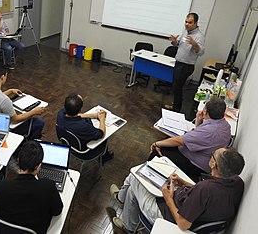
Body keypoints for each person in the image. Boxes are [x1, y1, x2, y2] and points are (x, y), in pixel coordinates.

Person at [110, 147, 245, 233]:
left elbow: (183, 224)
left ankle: (127, 226)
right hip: (188, 205)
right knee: (139, 185)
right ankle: (124, 201)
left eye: (212, 155)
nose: (210, 156)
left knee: (135, 178)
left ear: (214, 164)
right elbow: (206, 196)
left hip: (168, 216)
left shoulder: (205, 189)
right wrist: (183, 182)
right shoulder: (237, 182)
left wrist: (168, 198)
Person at [149, 97, 230, 182]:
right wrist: (198, 120)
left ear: (205, 111)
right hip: (204, 157)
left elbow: (179, 141)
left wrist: (156, 144)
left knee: (157, 151)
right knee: (167, 141)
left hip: (195, 164)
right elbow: (201, 138)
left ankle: (151, 177)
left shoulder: (210, 131)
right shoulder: (225, 125)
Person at [0, 141, 63, 233]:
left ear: (18, 160)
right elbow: (57, 211)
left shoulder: (2, 186)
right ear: (38, 167)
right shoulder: (48, 187)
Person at [0, 62, 45, 140]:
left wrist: (10, 91)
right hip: (4, 130)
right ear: (3, 77)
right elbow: (15, 119)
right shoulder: (4, 100)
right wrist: (33, 112)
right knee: (39, 122)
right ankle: (27, 142)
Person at [56, 93, 114, 163]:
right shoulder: (83, 126)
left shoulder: (60, 114)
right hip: (84, 152)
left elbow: (77, 116)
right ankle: (104, 156)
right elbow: (101, 134)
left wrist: (93, 115)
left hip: (67, 143)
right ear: (80, 110)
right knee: (105, 137)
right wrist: (102, 119)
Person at [167, 13, 205, 112]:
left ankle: (176, 109)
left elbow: (201, 52)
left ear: (196, 23)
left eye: (190, 22)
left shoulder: (199, 36)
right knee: (175, 87)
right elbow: (179, 44)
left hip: (186, 66)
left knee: (177, 87)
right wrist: (174, 41)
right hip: (178, 63)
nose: (187, 24)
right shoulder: (186, 32)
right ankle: (175, 105)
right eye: (186, 22)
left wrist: (195, 44)